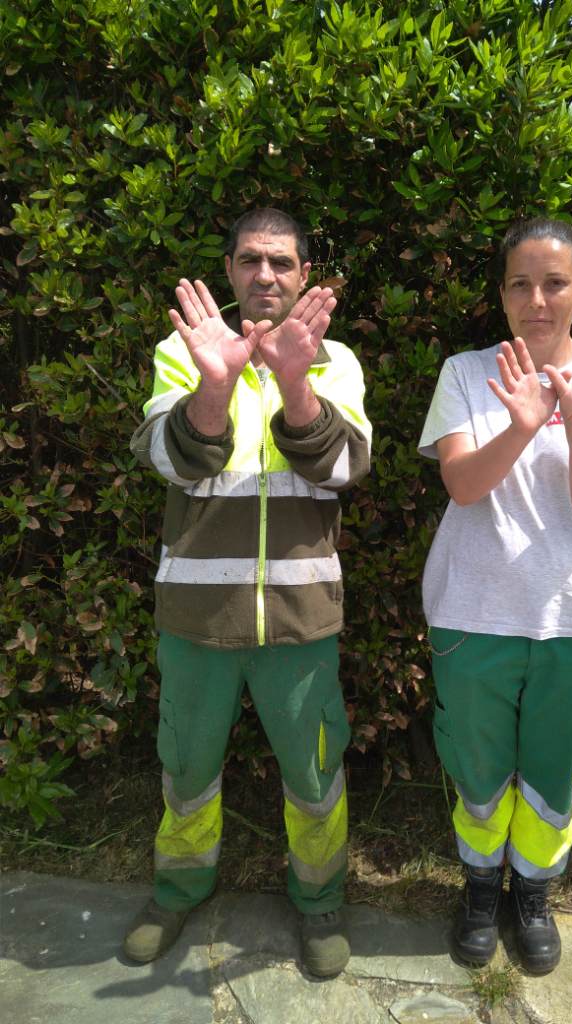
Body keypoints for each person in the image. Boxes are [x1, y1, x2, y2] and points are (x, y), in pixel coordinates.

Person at [124, 207, 371, 978]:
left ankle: (319, 899)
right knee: (187, 766)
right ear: (229, 270)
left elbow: (343, 470)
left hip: (303, 620)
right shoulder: (183, 350)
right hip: (196, 616)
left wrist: (296, 382)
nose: (266, 275)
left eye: (283, 263)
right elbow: (173, 461)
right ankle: (178, 887)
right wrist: (216, 380)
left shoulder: (337, 361)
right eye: (251, 261)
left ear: (304, 275)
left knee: (313, 770)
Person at [418, 217, 572, 975]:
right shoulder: (465, 372)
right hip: (472, 611)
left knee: (553, 772)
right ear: (503, 294)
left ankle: (534, 893)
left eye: (554, 283)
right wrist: (521, 426)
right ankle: (481, 886)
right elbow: (463, 484)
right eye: (520, 283)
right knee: (478, 769)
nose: (537, 299)